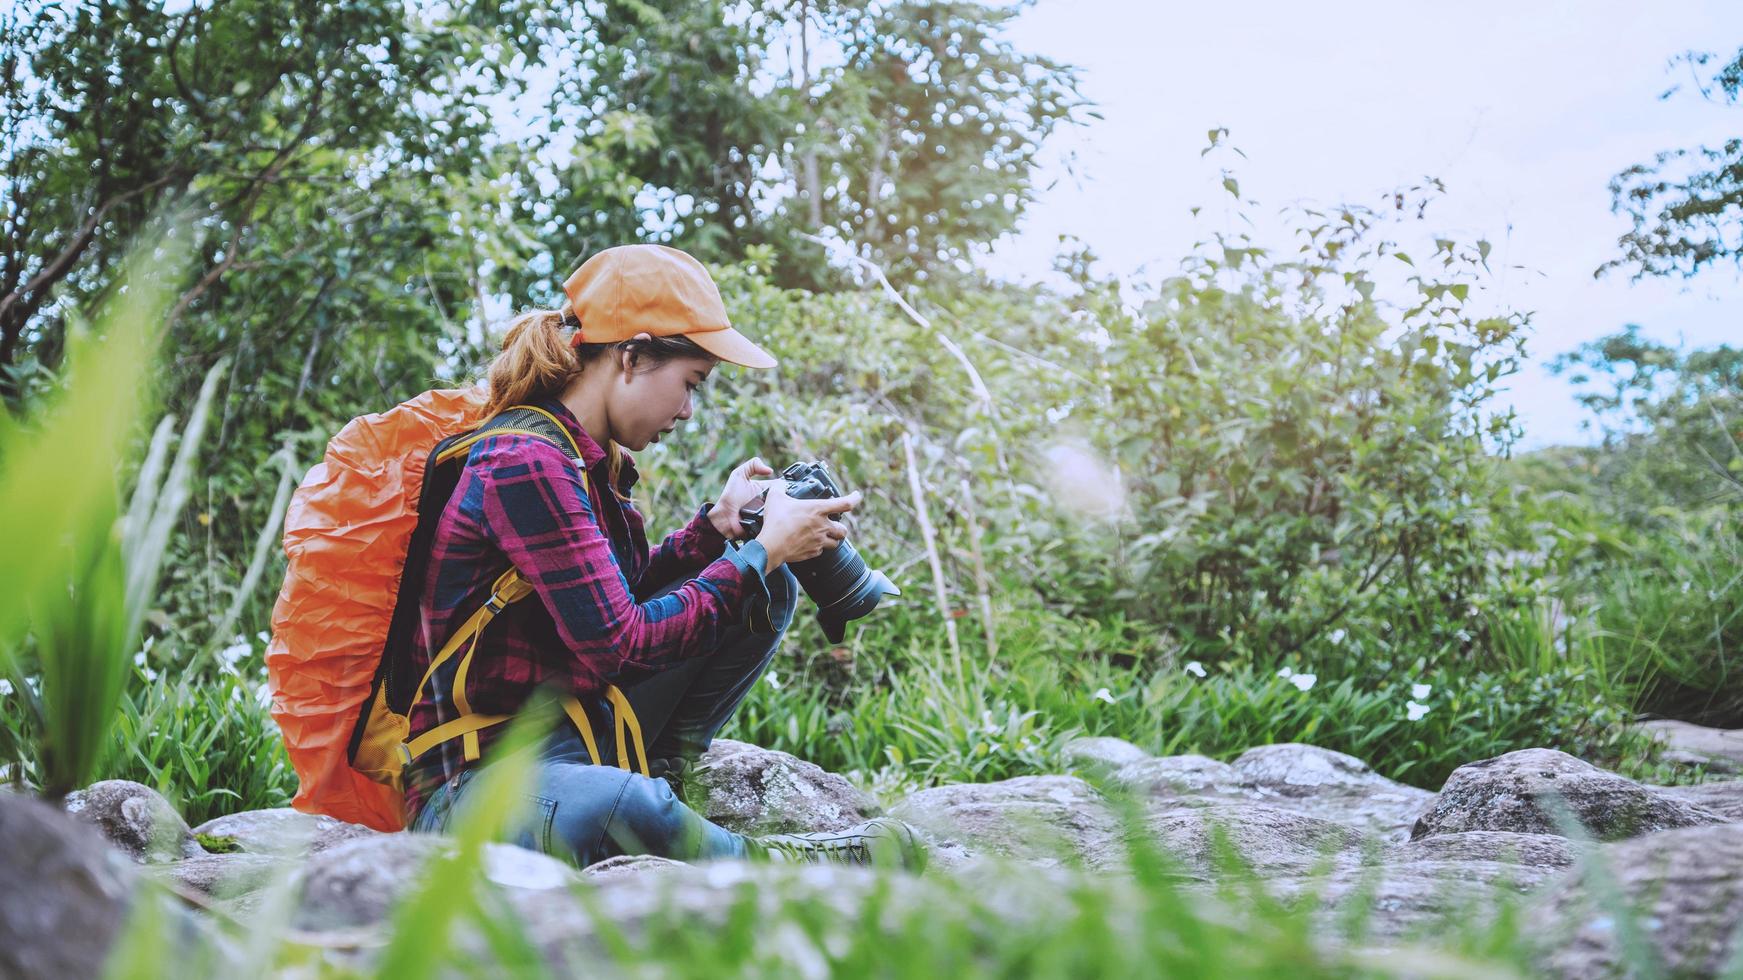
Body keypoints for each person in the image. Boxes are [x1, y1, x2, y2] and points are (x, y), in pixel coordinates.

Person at [403, 244, 923, 870]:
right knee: (621, 807)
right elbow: (620, 642)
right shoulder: (525, 461)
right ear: (630, 355)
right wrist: (760, 548)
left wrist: (717, 530)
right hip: (476, 786)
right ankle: (774, 863)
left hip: (574, 740)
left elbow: (609, 596)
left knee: (766, 586)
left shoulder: (588, 460)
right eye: (689, 384)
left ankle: (668, 787)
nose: (686, 411)